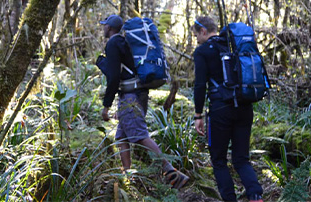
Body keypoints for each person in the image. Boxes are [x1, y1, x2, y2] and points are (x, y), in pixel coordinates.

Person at [99, 14, 189, 189]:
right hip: (138, 93)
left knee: (139, 135)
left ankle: (172, 172)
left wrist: (106, 105)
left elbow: (114, 77)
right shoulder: (125, 43)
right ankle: (128, 175)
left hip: (130, 96)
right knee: (121, 136)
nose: (103, 28)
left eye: (104, 26)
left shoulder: (113, 44)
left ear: (109, 28)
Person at [192, 16, 264, 202]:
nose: (196, 39)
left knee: (219, 160)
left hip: (220, 110)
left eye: (196, 35)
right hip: (245, 107)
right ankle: (255, 195)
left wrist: (197, 115)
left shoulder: (202, 52)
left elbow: (200, 85)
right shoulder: (235, 45)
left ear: (203, 31)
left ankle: (230, 199)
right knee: (241, 158)